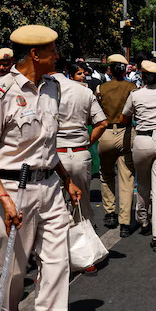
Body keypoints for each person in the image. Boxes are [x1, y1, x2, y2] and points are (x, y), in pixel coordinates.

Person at [0, 24, 84, 311]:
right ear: (35, 55)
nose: (58, 56)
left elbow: (46, 147)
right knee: (14, 271)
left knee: (56, 266)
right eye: (53, 51)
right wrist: (4, 198)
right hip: (12, 190)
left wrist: (67, 180)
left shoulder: (53, 87)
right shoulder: (0, 91)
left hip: (50, 187)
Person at [53, 62, 108, 239]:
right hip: (80, 153)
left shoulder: (43, 90)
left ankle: (60, 250)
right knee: (82, 204)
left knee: (56, 207)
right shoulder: (84, 91)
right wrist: (86, 143)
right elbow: (102, 123)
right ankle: (87, 252)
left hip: (55, 156)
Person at [122, 60, 156, 250]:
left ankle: (143, 220)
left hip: (141, 140)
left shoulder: (135, 95)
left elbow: (125, 115)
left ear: (142, 76)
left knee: (142, 183)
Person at [96, 54, 137, 235]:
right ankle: (125, 222)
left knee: (106, 175)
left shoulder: (101, 88)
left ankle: (110, 212)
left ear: (110, 70)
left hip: (105, 133)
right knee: (127, 178)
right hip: (126, 133)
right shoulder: (132, 87)